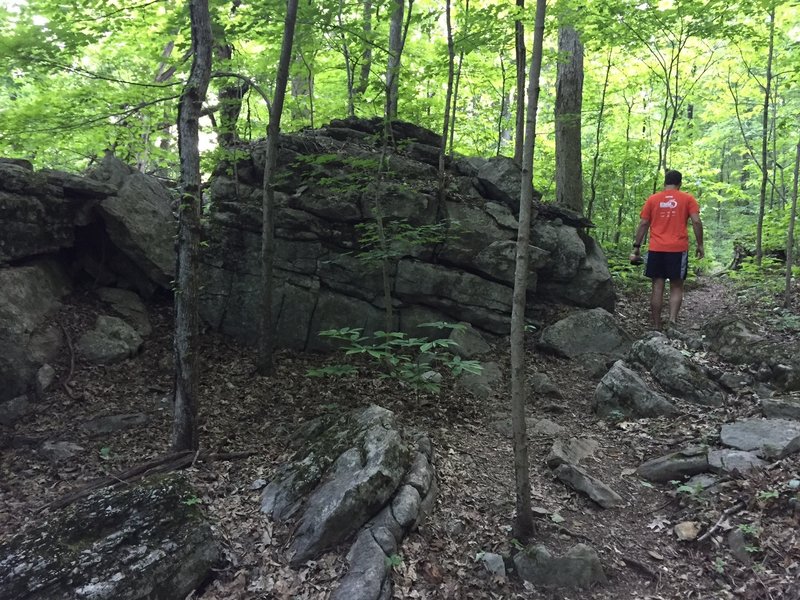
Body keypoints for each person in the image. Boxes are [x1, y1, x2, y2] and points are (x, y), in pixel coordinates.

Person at [630, 170, 704, 330]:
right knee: (677, 286)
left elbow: (643, 223)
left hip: (656, 248)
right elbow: (697, 222)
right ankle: (672, 321)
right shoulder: (688, 199)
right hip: (677, 249)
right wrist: (700, 245)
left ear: (665, 182)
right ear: (680, 183)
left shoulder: (653, 199)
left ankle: (656, 325)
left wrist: (636, 247)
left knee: (657, 285)